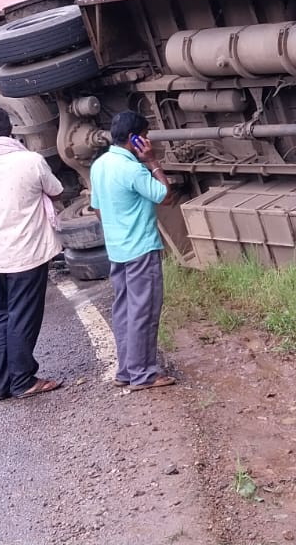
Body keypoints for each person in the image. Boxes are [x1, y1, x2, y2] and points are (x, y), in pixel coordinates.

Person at [0, 106, 63, 400]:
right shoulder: (30, 161)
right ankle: (22, 380)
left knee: (1, 314)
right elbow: (54, 190)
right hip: (26, 253)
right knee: (23, 316)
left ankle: (2, 382)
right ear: (11, 130)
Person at [89, 111, 175, 390]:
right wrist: (151, 161)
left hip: (118, 250)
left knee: (125, 310)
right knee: (144, 311)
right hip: (140, 249)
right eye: (145, 135)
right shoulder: (133, 169)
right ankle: (144, 374)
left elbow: (98, 209)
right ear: (134, 138)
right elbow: (165, 195)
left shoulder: (100, 165)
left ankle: (126, 370)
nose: (148, 140)